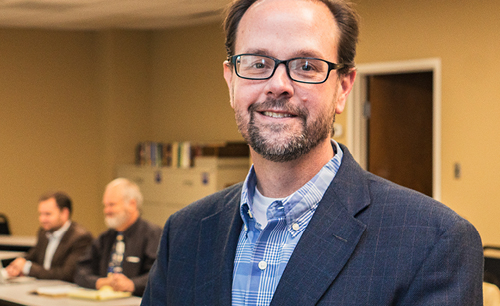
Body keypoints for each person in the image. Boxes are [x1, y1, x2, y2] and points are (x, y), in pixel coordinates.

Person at [142, 0, 484, 305]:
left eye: (306, 66)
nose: (278, 85)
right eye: (258, 63)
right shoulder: (185, 233)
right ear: (231, 81)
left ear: (343, 88)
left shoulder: (433, 242)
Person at [74, 178, 161, 296]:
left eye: (112, 205)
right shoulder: (105, 238)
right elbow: (80, 270)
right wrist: (101, 282)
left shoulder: (153, 235)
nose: (106, 211)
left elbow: (161, 274)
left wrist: (132, 284)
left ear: (132, 204)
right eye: (105, 205)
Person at [5, 192, 92, 282]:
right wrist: (18, 264)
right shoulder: (44, 232)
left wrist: (27, 267)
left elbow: (66, 275)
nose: (42, 219)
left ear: (64, 213)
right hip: (41, 287)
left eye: (48, 214)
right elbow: (34, 255)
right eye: (40, 214)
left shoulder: (81, 238)